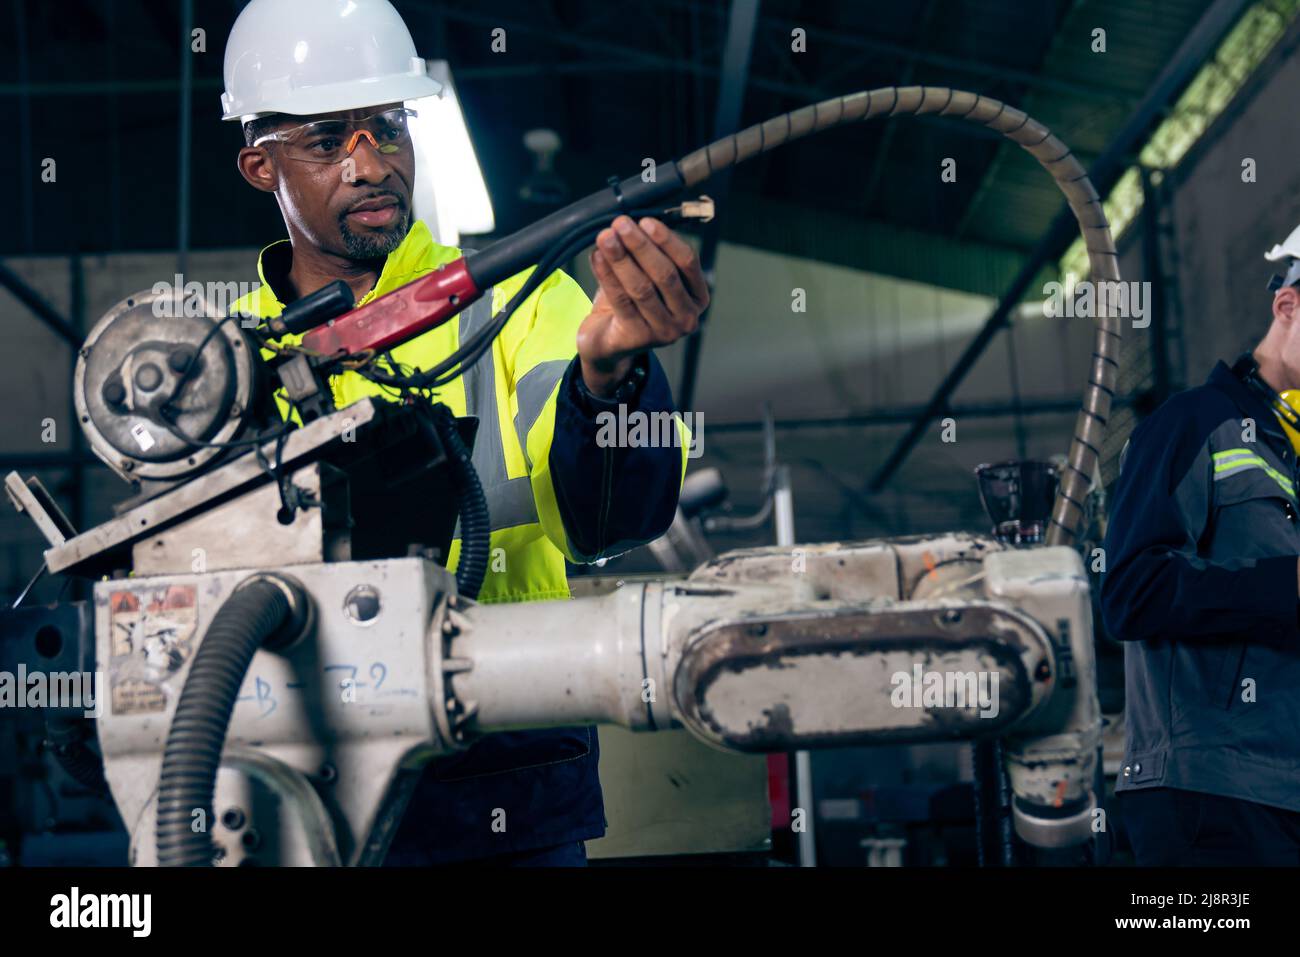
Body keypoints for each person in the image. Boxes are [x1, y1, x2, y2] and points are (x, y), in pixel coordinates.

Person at [220, 0, 707, 866]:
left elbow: (610, 525)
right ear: (262, 166)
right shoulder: (222, 367)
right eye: (330, 140)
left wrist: (614, 380)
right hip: (300, 788)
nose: (372, 164)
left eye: (388, 128)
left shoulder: (519, 301)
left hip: (506, 775)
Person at [1101, 224, 1300, 866]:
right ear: (1288, 306)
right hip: (1208, 797)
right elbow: (1133, 591)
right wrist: (1285, 583)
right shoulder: (1193, 424)